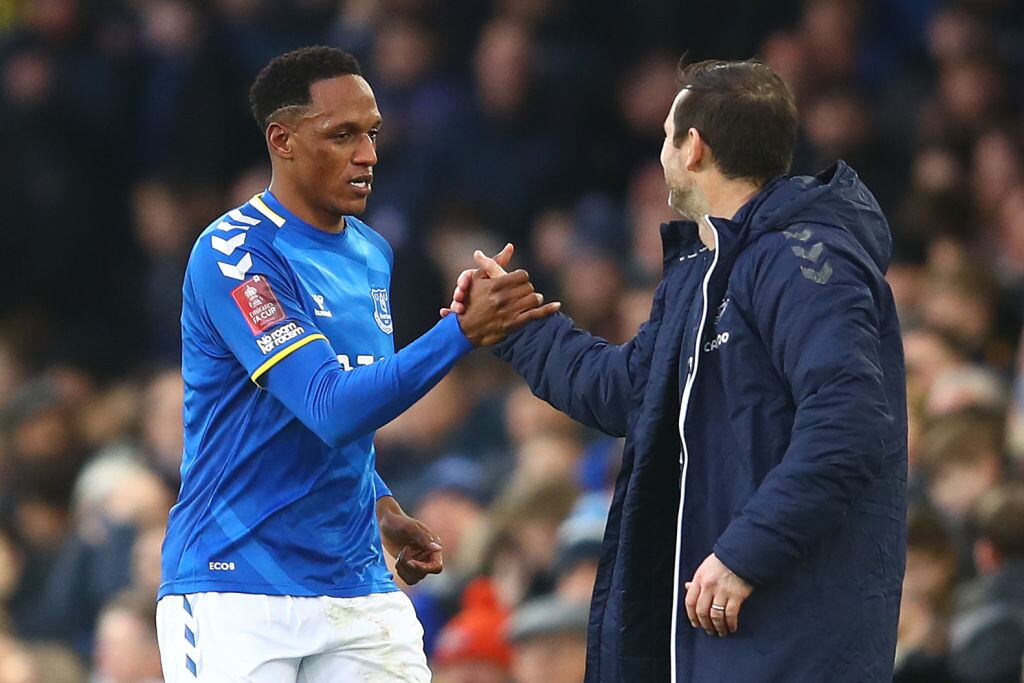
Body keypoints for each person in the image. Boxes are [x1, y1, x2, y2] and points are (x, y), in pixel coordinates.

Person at [446, 58, 907, 681]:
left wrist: (745, 553)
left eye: (666, 136)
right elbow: (626, 392)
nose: (661, 153)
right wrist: (516, 326)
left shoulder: (804, 258)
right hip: (719, 633)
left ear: (694, 147)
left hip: (793, 639)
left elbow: (847, 425)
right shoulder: (703, 273)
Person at [156, 46, 557, 682]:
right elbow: (329, 406)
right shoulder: (236, 254)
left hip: (355, 583)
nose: (367, 154)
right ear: (282, 140)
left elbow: (340, 406)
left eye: (372, 133)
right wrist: (459, 333)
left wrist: (382, 504)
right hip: (237, 585)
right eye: (342, 135)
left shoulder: (371, 252)